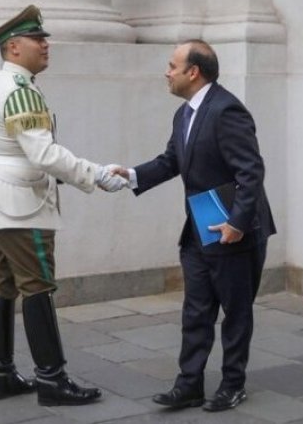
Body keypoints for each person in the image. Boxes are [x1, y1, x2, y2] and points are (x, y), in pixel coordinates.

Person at [0, 4, 127, 406]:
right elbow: (44, 154)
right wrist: (94, 174)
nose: (45, 44)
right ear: (13, 47)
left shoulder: (3, 82)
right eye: (37, 39)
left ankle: (0, 375)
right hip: (21, 205)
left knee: (3, 284)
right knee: (37, 286)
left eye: (44, 38)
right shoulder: (20, 91)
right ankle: (52, 381)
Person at [111, 39, 276, 412]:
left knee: (236, 311)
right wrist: (132, 175)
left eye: (172, 66)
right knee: (196, 310)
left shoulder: (226, 110)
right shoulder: (184, 113)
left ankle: (233, 384)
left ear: (193, 72)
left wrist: (237, 223)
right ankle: (189, 385)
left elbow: (251, 172)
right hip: (200, 226)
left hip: (233, 230)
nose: (167, 72)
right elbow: (171, 161)